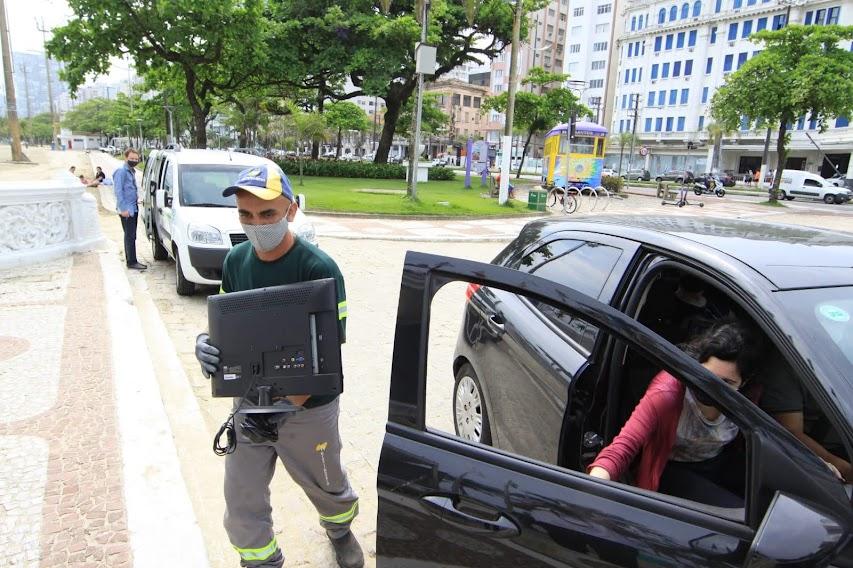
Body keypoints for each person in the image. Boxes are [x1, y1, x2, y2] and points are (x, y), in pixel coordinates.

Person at [194, 164, 363, 568]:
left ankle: (339, 530)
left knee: (326, 483)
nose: (256, 224)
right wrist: (207, 346)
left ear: (291, 210)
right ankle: (260, 560)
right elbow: (227, 326)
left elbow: (326, 351)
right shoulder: (236, 261)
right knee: (241, 496)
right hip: (250, 404)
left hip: (308, 408)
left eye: (267, 214)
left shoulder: (318, 269)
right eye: (245, 215)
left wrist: (283, 406)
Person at [589, 320, 757, 507]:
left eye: (726, 383)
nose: (713, 388)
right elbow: (624, 446)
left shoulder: (748, 400)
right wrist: (594, 485)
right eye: (706, 376)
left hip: (718, 463)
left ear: (743, 383)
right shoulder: (667, 392)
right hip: (670, 469)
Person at [759, 355, 851, 482]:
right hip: (809, 459)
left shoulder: (842, 364)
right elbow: (790, 433)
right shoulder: (792, 366)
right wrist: (843, 469)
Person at [112, 148, 146, 270]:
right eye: (131, 158)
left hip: (133, 207)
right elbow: (118, 191)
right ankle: (131, 261)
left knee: (132, 235)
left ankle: (132, 259)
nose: (134, 161)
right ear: (126, 158)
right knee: (129, 236)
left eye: (136, 159)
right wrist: (123, 208)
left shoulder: (131, 171)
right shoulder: (121, 171)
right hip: (127, 210)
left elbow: (130, 189)